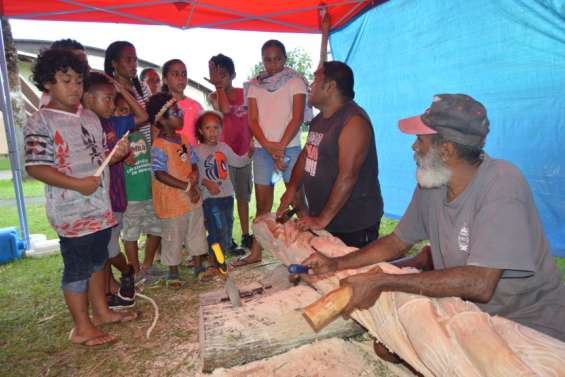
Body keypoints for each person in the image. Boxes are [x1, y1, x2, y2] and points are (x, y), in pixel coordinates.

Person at [304, 94, 565, 342]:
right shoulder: (433, 183)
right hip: (471, 314)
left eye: (420, 139)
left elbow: (480, 283)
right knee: (392, 345)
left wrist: (382, 281)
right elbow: (397, 241)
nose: (414, 146)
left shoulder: (503, 185)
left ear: (446, 150)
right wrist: (336, 263)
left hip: (529, 323)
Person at [25, 49, 136, 347]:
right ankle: (81, 327)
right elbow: (35, 166)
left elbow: (98, 159)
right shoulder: (41, 121)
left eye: (78, 81)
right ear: (48, 83)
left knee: (99, 260)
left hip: (99, 206)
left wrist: (117, 156)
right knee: (78, 267)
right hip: (71, 211)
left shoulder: (89, 117)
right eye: (66, 80)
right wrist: (75, 184)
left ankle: (101, 312)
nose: (74, 87)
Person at [277, 60, 383, 248]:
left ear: (330, 87)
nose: (311, 85)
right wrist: (292, 187)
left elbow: (348, 176)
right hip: (328, 219)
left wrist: (322, 219)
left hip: (353, 224)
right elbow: (307, 153)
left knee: (349, 275)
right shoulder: (319, 119)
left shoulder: (353, 121)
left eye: (316, 80)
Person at [233, 39, 310, 266]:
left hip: (291, 147)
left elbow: (297, 118)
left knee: (298, 200)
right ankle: (256, 252)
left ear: (285, 59)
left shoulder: (296, 81)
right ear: (262, 60)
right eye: (268, 59)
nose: (273, 63)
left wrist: (281, 148)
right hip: (262, 150)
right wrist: (269, 147)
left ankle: (314, 248)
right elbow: (252, 120)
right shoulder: (255, 85)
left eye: (277, 58)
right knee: (262, 205)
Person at [82, 72, 149, 309]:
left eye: (113, 99)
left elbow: (142, 115)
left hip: (116, 198)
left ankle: (120, 281)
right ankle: (126, 273)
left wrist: (122, 91)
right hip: (93, 202)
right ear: (87, 98)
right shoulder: (81, 127)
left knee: (108, 247)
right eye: (107, 99)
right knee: (105, 250)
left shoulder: (116, 124)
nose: (112, 105)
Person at [105, 41, 163, 283]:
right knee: (129, 224)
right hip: (123, 166)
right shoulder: (109, 91)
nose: (133, 64)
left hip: (147, 161)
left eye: (135, 59)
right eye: (128, 59)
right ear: (114, 64)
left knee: (156, 220)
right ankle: (134, 270)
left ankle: (147, 267)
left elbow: (151, 120)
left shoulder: (143, 90)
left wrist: (156, 155)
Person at [147, 92, 209, 287]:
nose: (181, 113)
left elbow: (193, 162)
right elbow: (159, 174)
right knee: (173, 236)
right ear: (163, 120)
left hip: (191, 197)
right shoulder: (159, 145)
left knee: (196, 230)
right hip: (172, 201)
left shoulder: (183, 139)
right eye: (176, 111)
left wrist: (194, 175)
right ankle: (173, 272)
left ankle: (199, 266)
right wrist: (187, 186)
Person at [207, 53, 253, 252]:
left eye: (223, 75)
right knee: (225, 199)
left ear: (233, 75)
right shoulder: (214, 96)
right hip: (224, 156)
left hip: (245, 151)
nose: (219, 78)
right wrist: (217, 86)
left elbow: (253, 119)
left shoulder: (246, 94)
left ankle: (245, 235)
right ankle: (227, 238)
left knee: (243, 197)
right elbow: (223, 110)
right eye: (215, 75)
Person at [194, 111, 253, 264]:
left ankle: (212, 255)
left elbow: (239, 162)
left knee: (227, 227)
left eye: (216, 127)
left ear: (221, 129)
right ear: (200, 131)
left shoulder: (224, 147)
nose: (212, 132)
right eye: (208, 128)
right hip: (210, 199)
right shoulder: (197, 150)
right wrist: (206, 183)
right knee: (216, 229)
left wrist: (249, 154)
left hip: (227, 196)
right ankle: (215, 262)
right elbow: (192, 175)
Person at [161, 59, 203, 147]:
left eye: (184, 74)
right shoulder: (160, 106)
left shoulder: (196, 106)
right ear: (165, 79)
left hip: (192, 159)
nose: (181, 78)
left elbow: (204, 136)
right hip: (167, 157)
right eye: (175, 74)